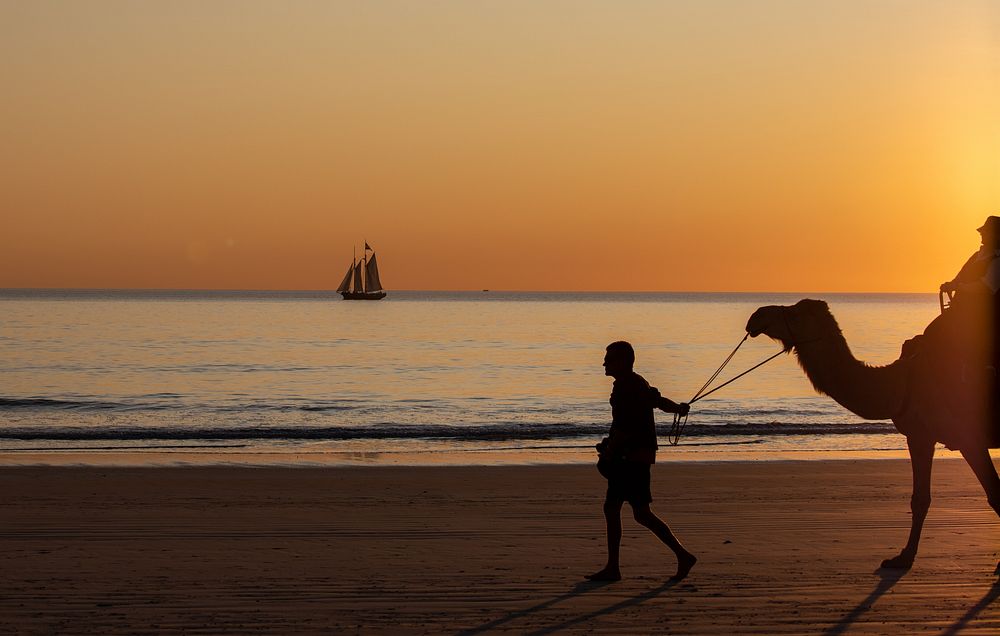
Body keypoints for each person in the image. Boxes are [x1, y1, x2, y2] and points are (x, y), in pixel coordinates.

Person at [586, 340, 697, 582]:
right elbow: (658, 402)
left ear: (624, 362)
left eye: (610, 358)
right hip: (638, 458)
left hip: (629, 459)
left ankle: (614, 568)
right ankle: (682, 555)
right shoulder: (638, 382)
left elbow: (626, 428)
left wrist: (608, 451)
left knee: (617, 509)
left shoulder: (627, 387)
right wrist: (678, 408)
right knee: (640, 513)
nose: (604, 362)